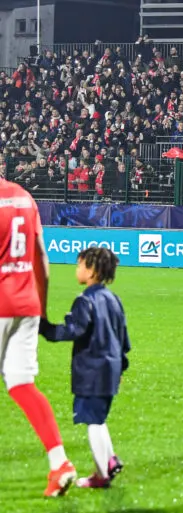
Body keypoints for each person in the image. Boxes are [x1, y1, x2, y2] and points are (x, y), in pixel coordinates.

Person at [0, 176, 75, 495]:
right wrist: (41, 309)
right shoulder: (23, 197)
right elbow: (41, 260)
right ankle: (59, 463)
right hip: (27, 302)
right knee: (21, 384)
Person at [40, 247, 130, 489]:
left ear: (91, 271)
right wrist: (121, 367)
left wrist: (45, 328)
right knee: (98, 417)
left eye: (80, 265)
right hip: (110, 369)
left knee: (93, 421)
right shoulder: (114, 299)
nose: (77, 269)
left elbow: (74, 330)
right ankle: (110, 461)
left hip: (91, 370)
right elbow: (124, 339)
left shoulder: (85, 300)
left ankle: (101, 475)